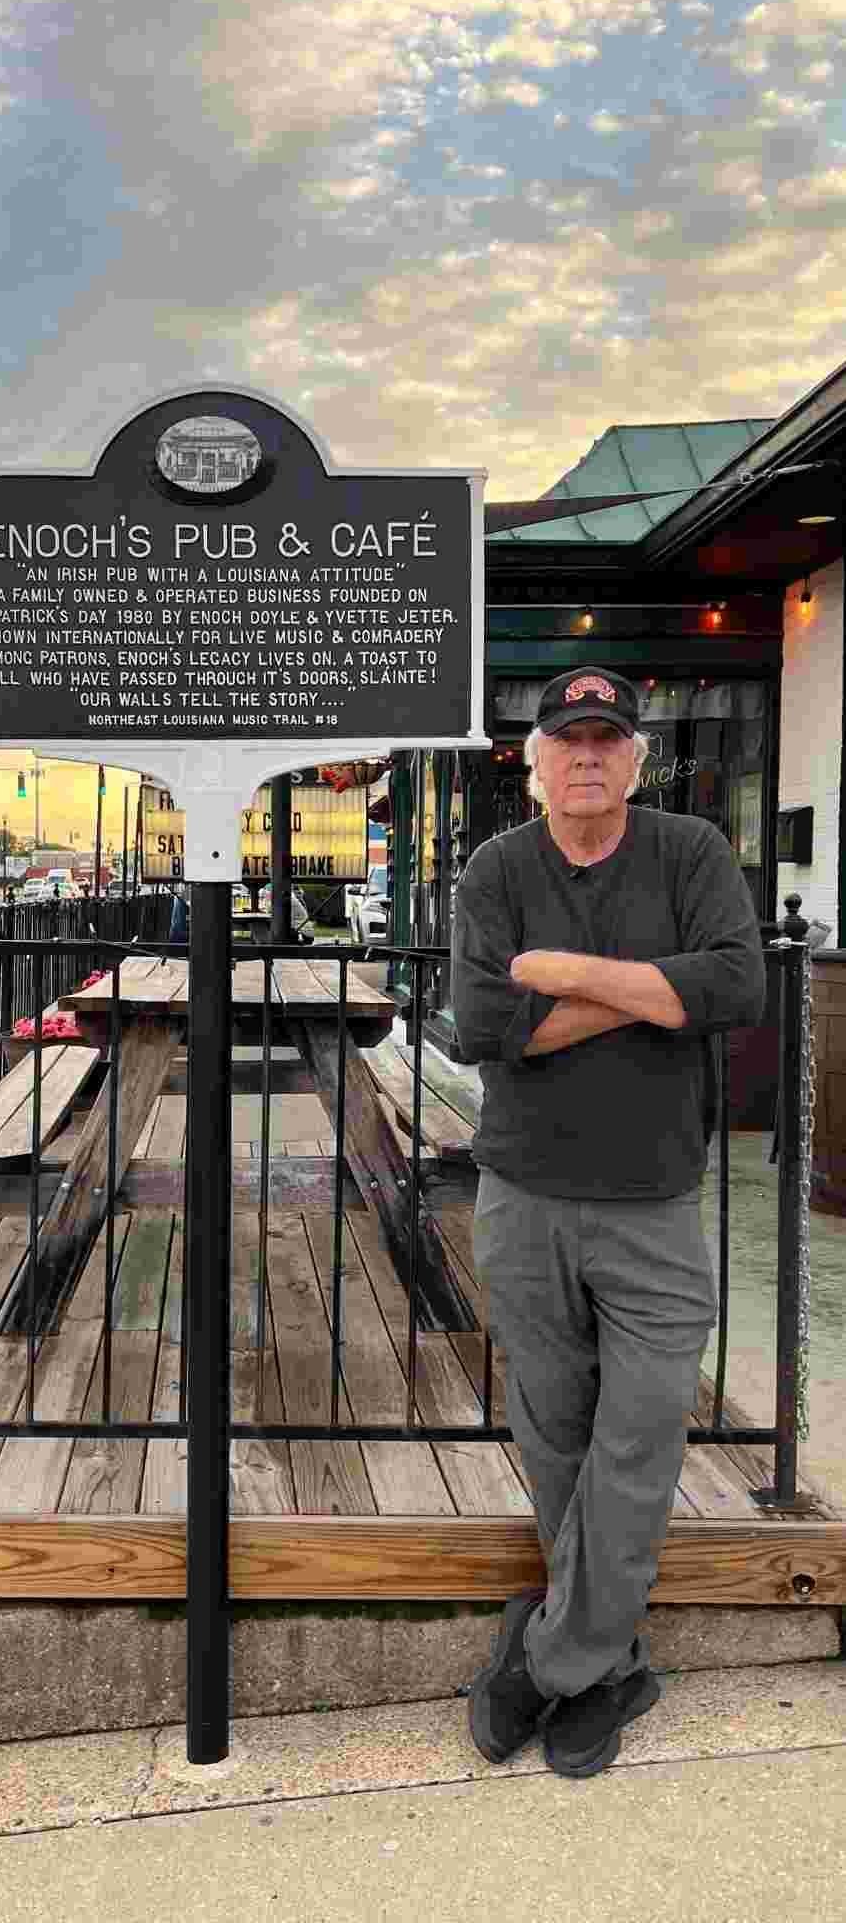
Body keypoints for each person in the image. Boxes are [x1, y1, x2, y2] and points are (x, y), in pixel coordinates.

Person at [451, 666, 765, 1781]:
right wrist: (646, 991)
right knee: (556, 1440)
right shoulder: (498, 867)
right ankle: (612, 1660)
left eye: (607, 738)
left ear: (637, 759)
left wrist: (569, 974)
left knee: (638, 1439)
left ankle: (548, 1665)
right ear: (533, 763)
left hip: (656, 1208)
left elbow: (735, 988)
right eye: (567, 739)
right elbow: (484, 1021)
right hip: (525, 1199)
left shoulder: (689, 855)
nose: (587, 754)